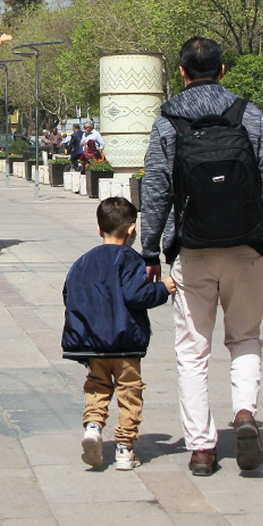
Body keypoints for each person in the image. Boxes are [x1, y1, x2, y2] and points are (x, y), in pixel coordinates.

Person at [140, 37, 263, 477]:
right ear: (223, 71)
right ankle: (244, 414)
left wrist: (150, 250)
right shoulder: (248, 114)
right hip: (245, 246)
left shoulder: (167, 119)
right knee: (245, 337)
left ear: (181, 74)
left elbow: (156, 188)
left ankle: (202, 449)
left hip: (193, 249)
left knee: (192, 351)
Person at [62, 197, 176, 471]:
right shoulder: (130, 259)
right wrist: (163, 289)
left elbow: (69, 295)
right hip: (125, 343)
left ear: (99, 229)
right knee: (129, 392)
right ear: (132, 230)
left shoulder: (82, 262)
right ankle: (125, 447)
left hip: (94, 344)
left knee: (97, 387)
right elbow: (135, 294)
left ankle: (93, 426)